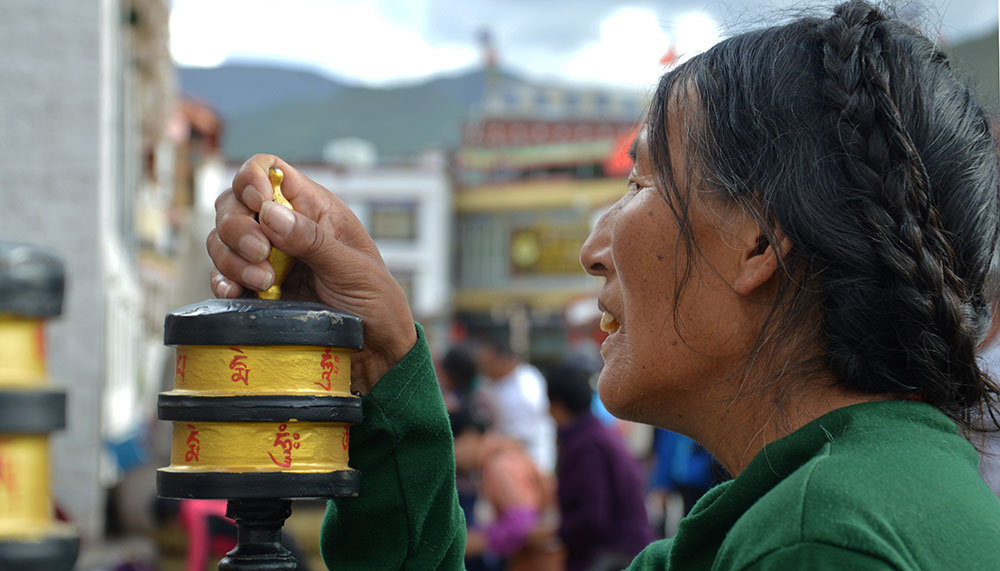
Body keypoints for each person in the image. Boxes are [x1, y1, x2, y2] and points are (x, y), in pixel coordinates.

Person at [206, 1, 1000, 568]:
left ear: (759, 240)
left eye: (642, 184)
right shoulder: (832, 495)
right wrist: (384, 360)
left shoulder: (819, 536)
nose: (595, 247)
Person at [545, 364, 653, 571]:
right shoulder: (596, 433)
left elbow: (593, 518)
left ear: (556, 404)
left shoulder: (585, 447)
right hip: (626, 548)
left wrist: (553, 532)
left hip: (612, 557)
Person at [450, 407, 562, 571]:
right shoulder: (500, 456)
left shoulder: (499, 465)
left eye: (452, 446)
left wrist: (474, 541)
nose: (453, 457)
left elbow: (521, 524)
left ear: (468, 436)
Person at [474, 335, 557, 474]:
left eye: (488, 364)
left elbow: (521, 440)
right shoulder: (492, 381)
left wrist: (483, 446)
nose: (483, 369)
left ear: (504, 361)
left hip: (531, 464)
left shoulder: (525, 390)